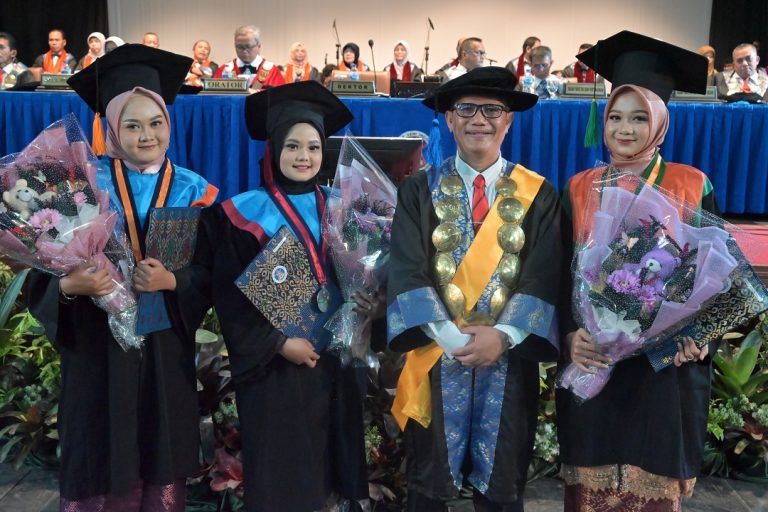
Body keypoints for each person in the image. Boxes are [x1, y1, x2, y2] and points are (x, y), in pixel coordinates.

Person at [28, 44, 218, 510]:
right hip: (98, 347)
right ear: (111, 127)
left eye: (156, 123)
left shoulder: (195, 189)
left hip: (163, 346)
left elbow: (214, 271)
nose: (146, 134)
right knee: (98, 444)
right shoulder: (78, 185)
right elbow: (42, 269)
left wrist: (175, 283)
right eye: (131, 125)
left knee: (160, 449)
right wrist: (68, 288)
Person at [557, 31, 719, 512]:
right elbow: (558, 276)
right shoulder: (580, 187)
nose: (624, 129)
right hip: (595, 360)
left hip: (663, 371)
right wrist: (569, 335)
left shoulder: (691, 185)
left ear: (660, 121)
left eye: (639, 117)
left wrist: (700, 337)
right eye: (615, 116)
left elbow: (720, 277)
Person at [387, 66, 562, 511]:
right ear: (449, 119)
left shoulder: (540, 195)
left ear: (509, 120)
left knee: (502, 485)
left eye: (492, 110)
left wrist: (503, 337)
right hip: (436, 356)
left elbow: (543, 272)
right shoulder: (417, 191)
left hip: (508, 361)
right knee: (428, 486)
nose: (479, 119)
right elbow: (408, 270)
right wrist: (453, 340)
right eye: (465, 109)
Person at [197, 79, 374, 511]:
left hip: (334, 360)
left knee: (332, 469)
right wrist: (278, 343)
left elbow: (363, 275)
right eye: (292, 146)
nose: (303, 156)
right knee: (284, 476)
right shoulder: (242, 215)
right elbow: (229, 299)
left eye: (313, 147)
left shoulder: (343, 208)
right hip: (277, 370)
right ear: (274, 149)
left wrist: (369, 307)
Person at [213, 25, 285, 90]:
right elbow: (213, 96)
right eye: (240, 47)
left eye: (248, 46)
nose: (244, 51)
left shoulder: (272, 71)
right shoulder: (225, 70)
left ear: (259, 46)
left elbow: (281, 96)